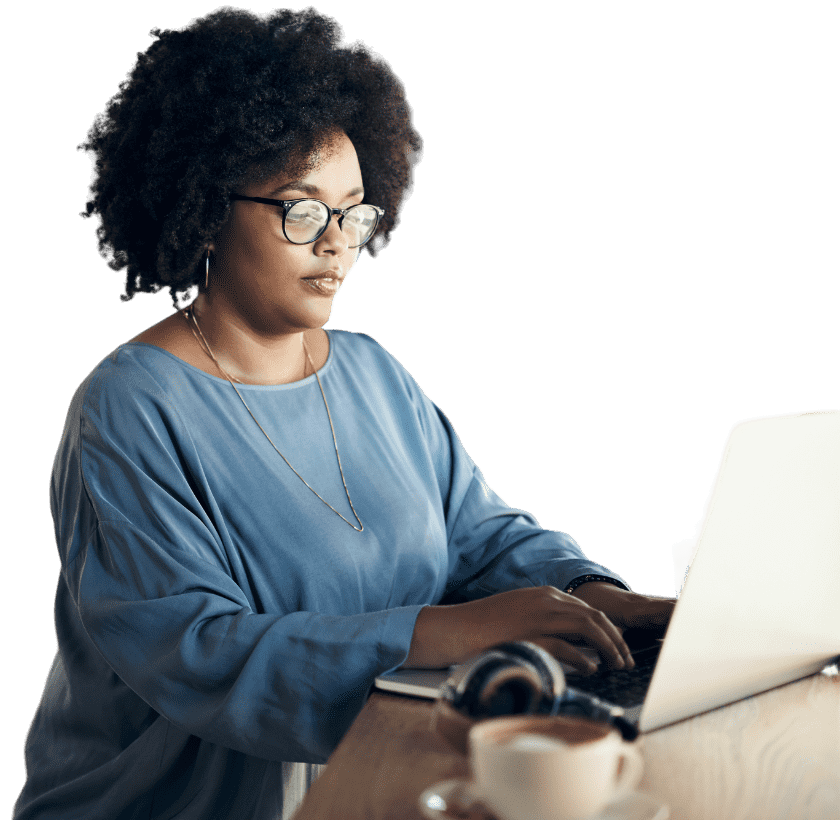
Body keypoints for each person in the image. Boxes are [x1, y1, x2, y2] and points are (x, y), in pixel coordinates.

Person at [14, 7, 675, 820]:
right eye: (301, 210)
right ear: (206, 205)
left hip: (371, 782)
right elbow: (197, 653)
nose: (338, 244)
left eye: (356, 212)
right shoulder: (128, 409)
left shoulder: (376, 376)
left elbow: (481, 536)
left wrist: (594, 594)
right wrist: (437, 633)